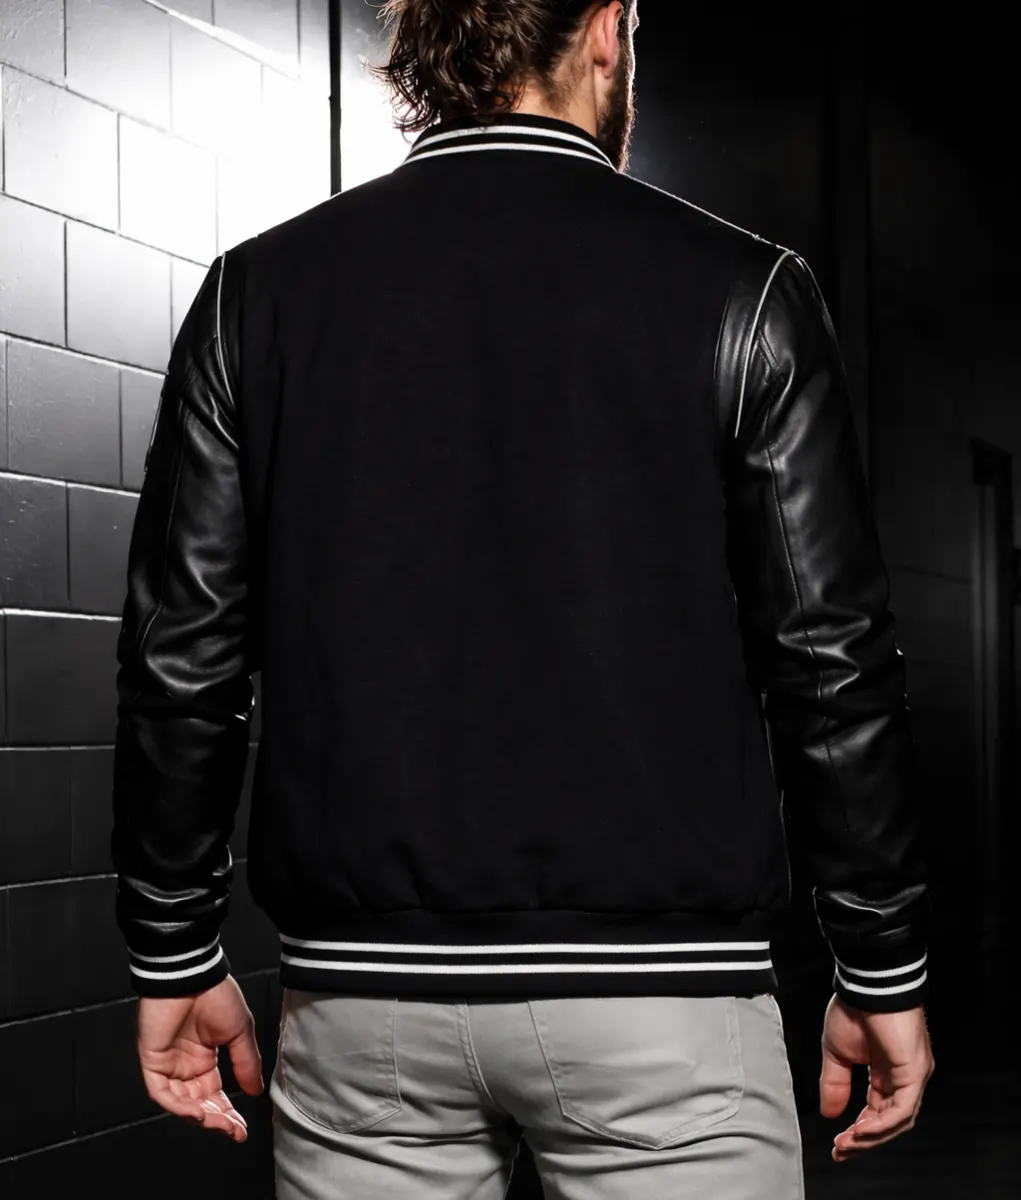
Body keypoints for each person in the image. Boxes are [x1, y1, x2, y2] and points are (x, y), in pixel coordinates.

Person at [111, 1, 934, 1196]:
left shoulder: (257, 293)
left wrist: (174, 948)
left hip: (364, 1008)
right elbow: (829, 661)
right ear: (603, 30)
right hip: (666, 1012)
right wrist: (881, 961)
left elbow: (182, 658)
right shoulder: (747, 291)